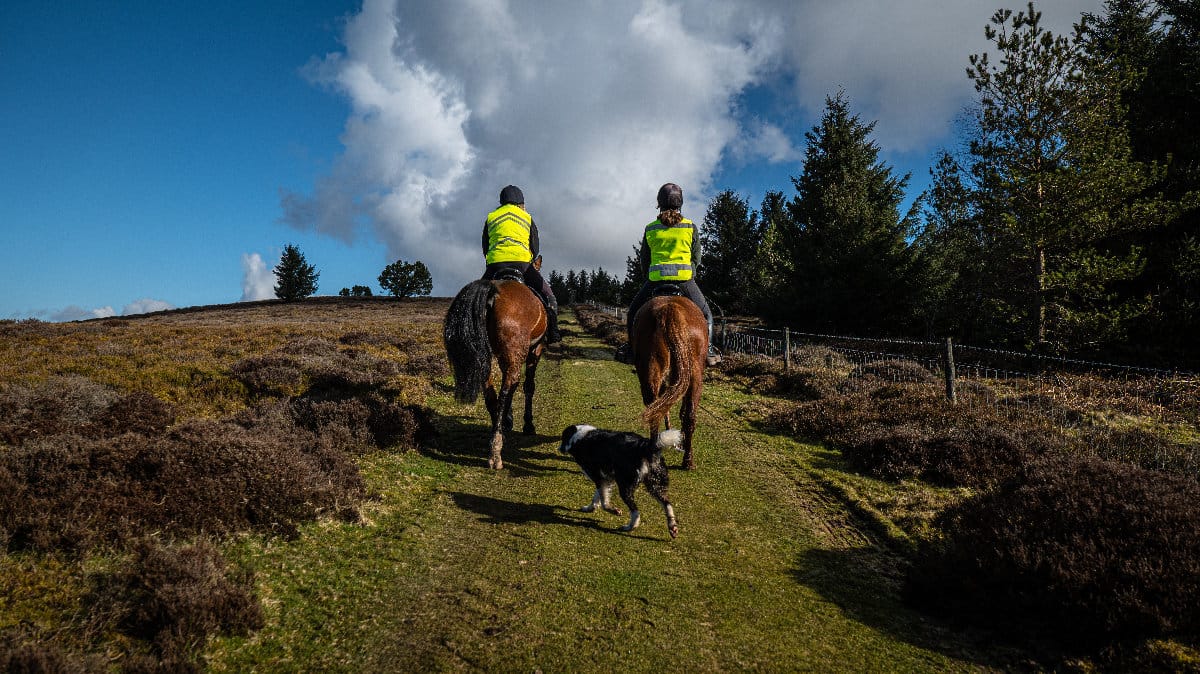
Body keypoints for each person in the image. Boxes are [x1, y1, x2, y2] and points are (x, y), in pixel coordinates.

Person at [616, 183, 719, 366]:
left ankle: (632, 349)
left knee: (633, 313)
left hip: (656, 282)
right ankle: (709, 350)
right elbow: (697, 257)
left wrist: (649, 275)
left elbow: (644, 260)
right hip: (684, 281)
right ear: (680, 203)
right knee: (707, 314)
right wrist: (690, 271)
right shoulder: (690, 227)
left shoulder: (651, 228)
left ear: (659, 203)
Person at [481, 185, 561, 344]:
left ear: (502, 202)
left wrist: (494, 260)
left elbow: (485, 245)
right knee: (549, 295)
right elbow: (535, 247)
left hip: (495, 265)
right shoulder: (526, 217)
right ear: (521, 203)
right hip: (522, 265)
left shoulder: (491, 217)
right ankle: (553, 333)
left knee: (477, 299)